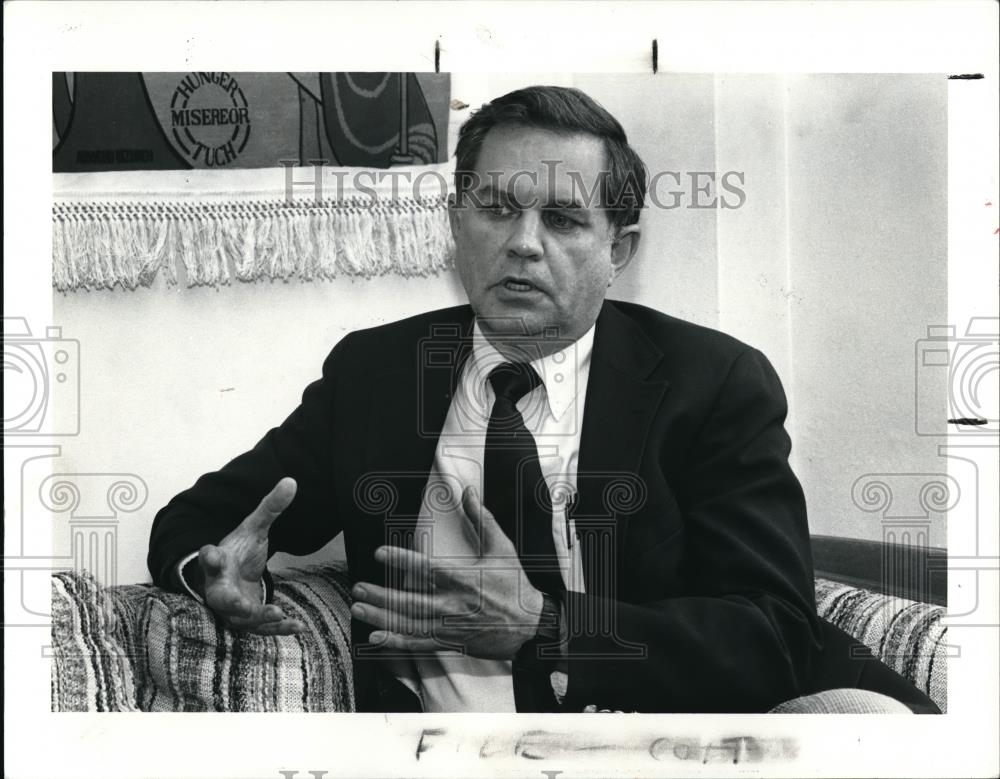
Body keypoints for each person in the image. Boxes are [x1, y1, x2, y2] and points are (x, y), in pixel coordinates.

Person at [148, 85, 938, 714]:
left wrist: (547, 627)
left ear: (617, 251)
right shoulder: (378, 374)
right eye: (496, 208)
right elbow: (199, 526)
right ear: (456, 223)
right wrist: (212, 571)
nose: (523, 242)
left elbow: (773, 635)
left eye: (562, 219)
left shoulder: (711, 382)